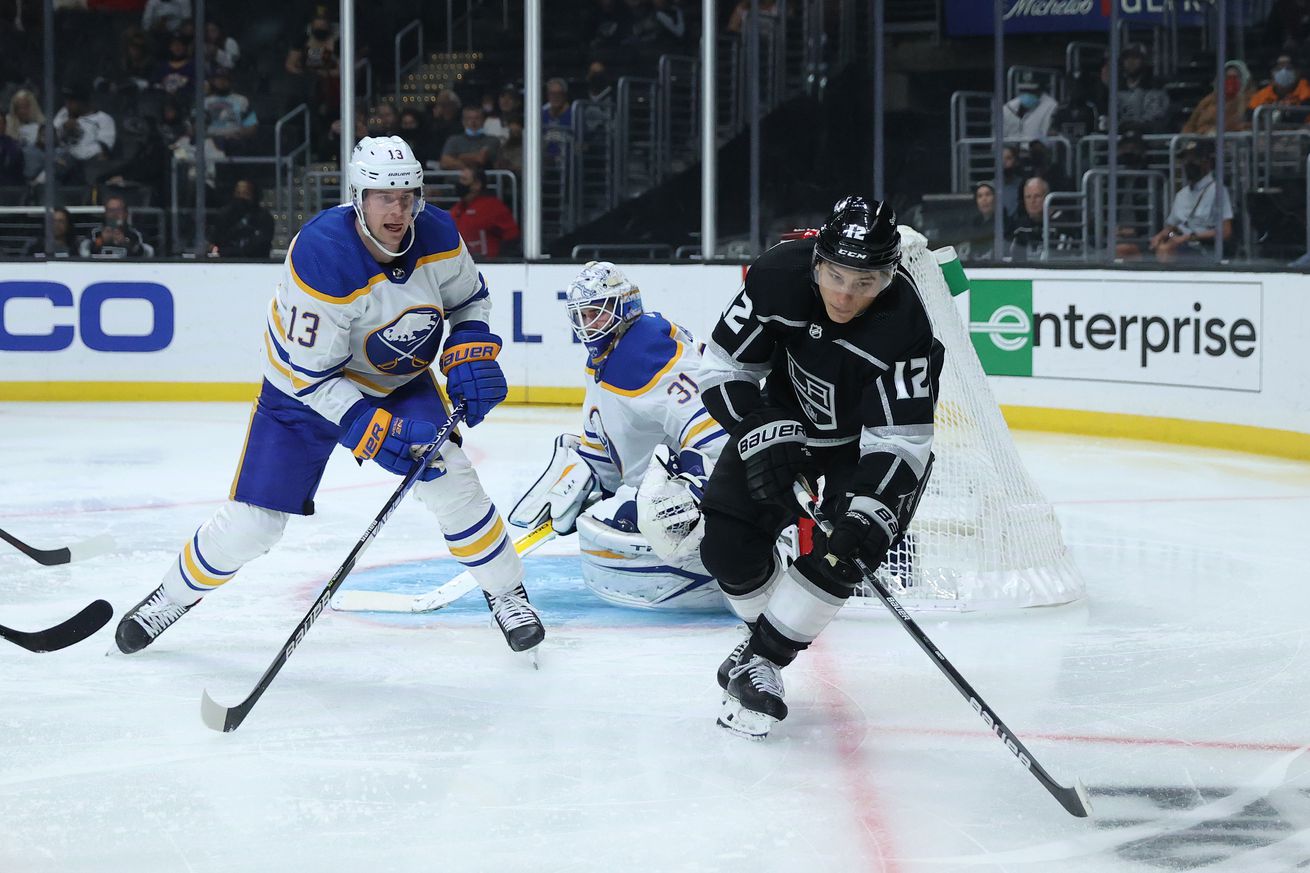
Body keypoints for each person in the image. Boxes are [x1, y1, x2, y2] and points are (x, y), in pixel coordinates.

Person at [112, 136, 542, 657]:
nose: (398, 208)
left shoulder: (437, 232)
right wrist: (368, 426)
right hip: (300, 394)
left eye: (407, 195)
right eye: (385, 196)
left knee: (452, 477)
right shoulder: (322, 254)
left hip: (395, 380)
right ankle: (170, 598)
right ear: (358, 197)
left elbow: (469, 299)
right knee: (254, 525)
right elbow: (311, 376)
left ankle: (507, 594)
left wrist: (471, 348)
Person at [696, 197, 943, 738]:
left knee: (847, 548)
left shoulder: (905, 325)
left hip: (865, 448)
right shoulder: (777, 276)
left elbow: (901, 437)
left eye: (866, 281)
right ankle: (765, 635)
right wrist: (760, 430)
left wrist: (865, 510)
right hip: (783, 424)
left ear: (890, 275)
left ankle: (762, 662)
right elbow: (722, 367)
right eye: (836, 275)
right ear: (817, 262)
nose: (846, 294)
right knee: (725, 546)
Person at [507, 261, 731, 611]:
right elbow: (610, 431)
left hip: (718, 468)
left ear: (625, 306)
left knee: (630, 520)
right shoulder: (613, 355)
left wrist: (698, 484)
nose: (588, 326)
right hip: (698, 461)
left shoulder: (642, 353)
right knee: (617, 519)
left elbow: (712, 424)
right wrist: (589, 475)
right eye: (582, 316)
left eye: (597, 313)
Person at [1149, 140, 1234, 263]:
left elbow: (1226, 232)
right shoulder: (1181, 195)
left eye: (1194, 159)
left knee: (1166, 250)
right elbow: (1172, 227)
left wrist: (1188, 237)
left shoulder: (1218, 191)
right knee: (1127, 250)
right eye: (1186, 160)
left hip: (1204, 248)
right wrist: (1160, 236)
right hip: (1179, 244)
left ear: (1207, 162)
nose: (1188, 163)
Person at [447, 166, 520, 258]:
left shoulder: (493, 207)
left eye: (464, 180)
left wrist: (500, 260)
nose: (459, 184)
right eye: (460, 179)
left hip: (489, 265)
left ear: (477, 184)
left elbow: (512, 236)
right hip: (462, 265)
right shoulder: (456, 209)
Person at [1183, 60, 1254, 134]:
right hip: (1204, 140)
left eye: (1235, 78)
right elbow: (1191, 124)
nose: (1230, 81)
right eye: (1227, 77)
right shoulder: (1208, 101)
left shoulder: (1249, 102)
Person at [208, 178, 274, 258]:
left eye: (246, 193)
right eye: (238, 193)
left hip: (256, 263)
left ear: (254, 195)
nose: (241, 197)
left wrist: (231, 252)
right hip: (227, 263)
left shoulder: (264, 218)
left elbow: (260, 245)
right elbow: (215, 241)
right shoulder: (224, 215)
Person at [79, 195, 154, 258]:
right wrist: (100, 240)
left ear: (125, 213)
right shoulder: (95, 232)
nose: (114, 214)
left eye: (118, 210)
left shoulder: (136, 233)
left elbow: (149, 253)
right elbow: (83, 252)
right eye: (110, 210)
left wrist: (126, 243)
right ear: (105, 213)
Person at [1002, 77, 1058, 143]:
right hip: (1011, 148)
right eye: (1024, 91)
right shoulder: (1008, 109)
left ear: (1040, 92)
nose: (1028, 94)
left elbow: (1047, 136)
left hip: (1035, 148)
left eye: (1032, 91)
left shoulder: (1049, 106)